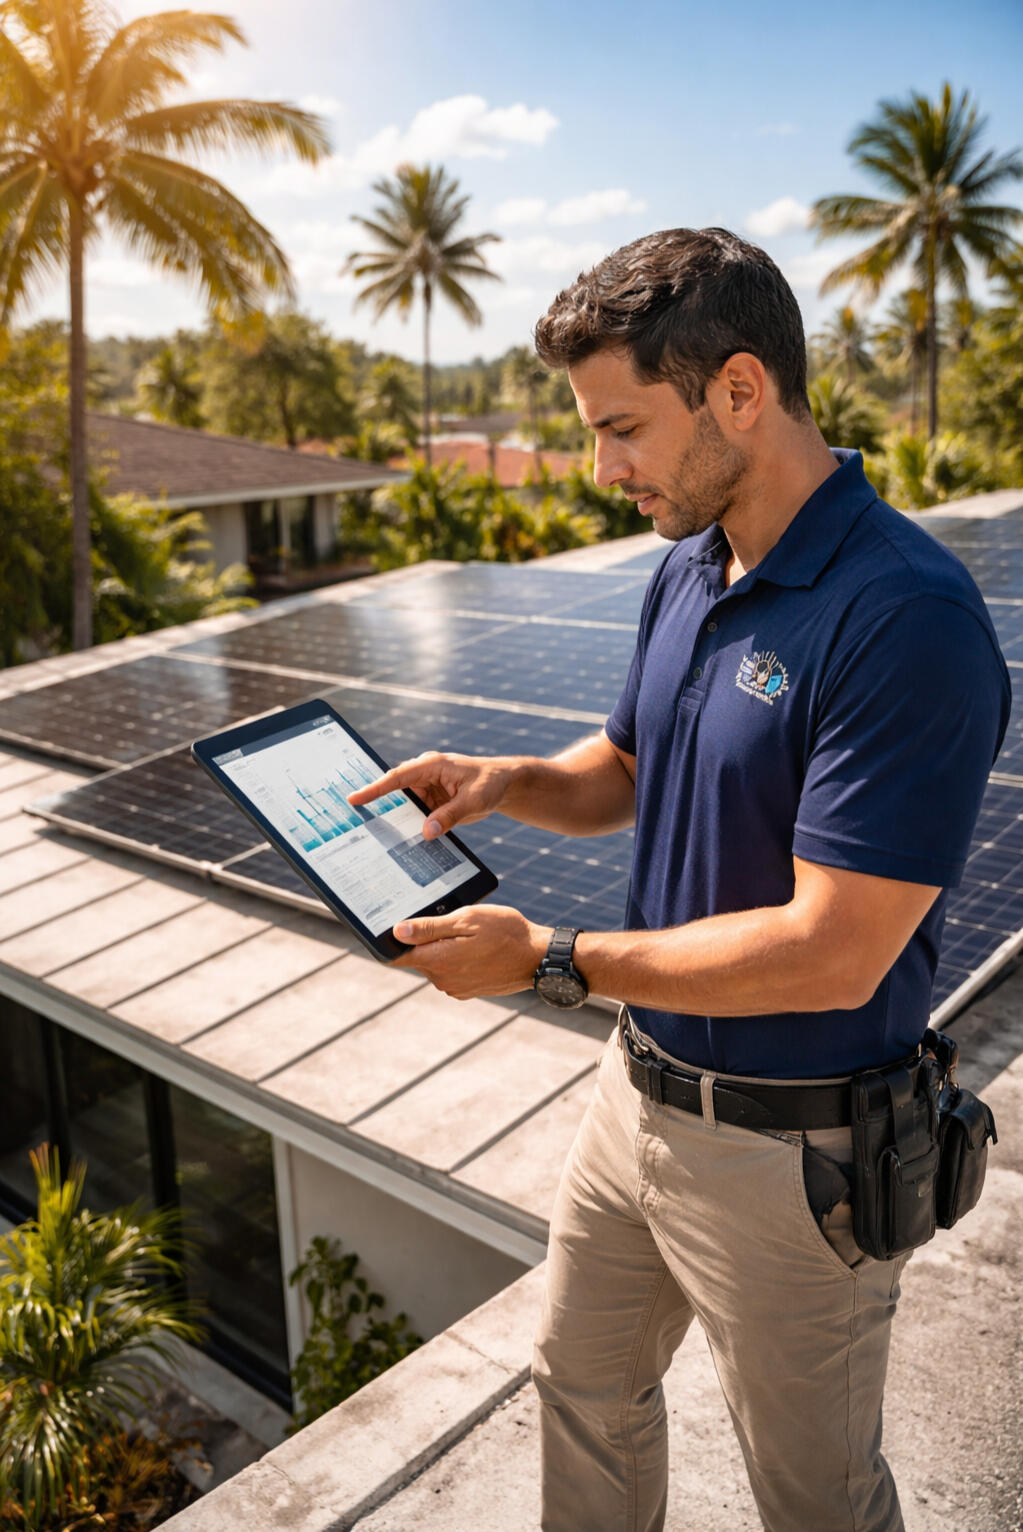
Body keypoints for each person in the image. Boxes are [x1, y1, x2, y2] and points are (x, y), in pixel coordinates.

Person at [347, 228, 1011, 1532]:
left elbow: (835, 949)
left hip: (794, 1156)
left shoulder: (905, 618)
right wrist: (502, 778)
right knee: (582, 1390)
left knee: (816, 1501)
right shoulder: (691, 566)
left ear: (740, 391)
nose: (602, 472)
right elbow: (628, 768)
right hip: (634, 1097)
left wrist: (553, 960)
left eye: (622, 431)